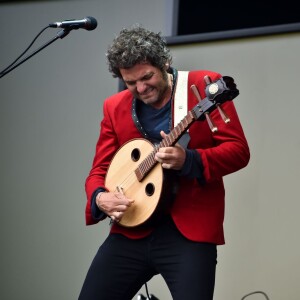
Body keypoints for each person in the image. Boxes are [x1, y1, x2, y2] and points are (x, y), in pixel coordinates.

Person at [79, 25, 250, 300]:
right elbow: (99, 169)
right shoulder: (114, 106)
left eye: (147, 77)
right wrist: (99, 198)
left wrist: (190, 160)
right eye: (131, 82)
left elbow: (239, 151)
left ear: (164, 63)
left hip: (188, 231)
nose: (141, 88)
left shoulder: (203, 86)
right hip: (131, 230)